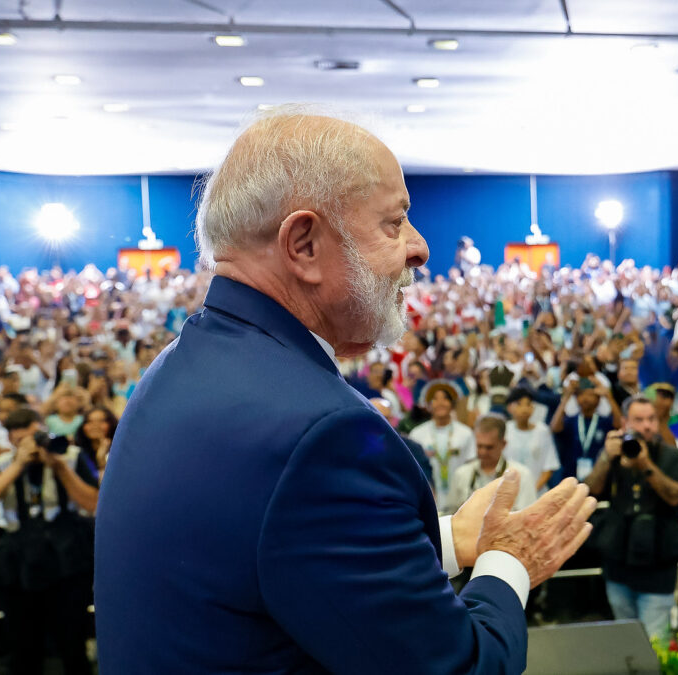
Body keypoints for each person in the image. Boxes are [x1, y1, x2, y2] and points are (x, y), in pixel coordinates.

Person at [95, 109, 596, 674]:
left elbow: (273, 553)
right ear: (304, 245)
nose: (420, 247)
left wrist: (452, 539)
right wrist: (509, 561)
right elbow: (463, 667)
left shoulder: (179, 365)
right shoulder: (322, 435)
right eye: (394, 223)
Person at [0, 408, 99, 675]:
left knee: (72, 643)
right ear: (10, 440)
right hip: (19, 561)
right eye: (21, 440)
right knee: (24, 646)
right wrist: (17, 465)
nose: (31, 446)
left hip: (67, 558)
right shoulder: (5, 463)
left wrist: (59, 466)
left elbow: (93, 503)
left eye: (35, 437)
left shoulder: (70, 456)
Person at [584, 395, 678, 642]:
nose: (647, 426)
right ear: (624, 423)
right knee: (625, 640)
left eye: (651, 419)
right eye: (639, 420)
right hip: (618, 565)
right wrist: (605, 458)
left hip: (658, 565)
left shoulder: (673, 456)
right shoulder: (612, 456)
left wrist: (645, 464)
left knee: (654, 644)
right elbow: (589, 491)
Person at [446, 415, 536, 513]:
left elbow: (527, 515)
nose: (483, 452)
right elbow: (450, 513)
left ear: (503, 444)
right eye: (479, 446)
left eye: (489, 447)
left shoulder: (522, 475)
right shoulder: (462, 474)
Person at [409, 381, 476, 507]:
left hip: (461, 497)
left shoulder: (465, 433)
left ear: (452, 404)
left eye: (445, 398)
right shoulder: (417, 434)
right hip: (429, 496)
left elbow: (471, 465)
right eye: (435, 399)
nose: (440, 403)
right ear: (428, 404)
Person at [550, 377, 620, 481]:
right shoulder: (571, 420)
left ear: (598, 399)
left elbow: (619, 425)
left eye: (591, 394)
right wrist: (567, 396)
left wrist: (608, 396)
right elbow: (554, 428)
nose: (585, 398)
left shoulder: (605, 421)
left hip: (599, 477)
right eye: (581, 394)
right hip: (571, 476)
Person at [502, 388, 560, 493]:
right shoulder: (504, 430)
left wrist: (532, 491)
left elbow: (548, 467)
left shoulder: (542, 431)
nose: (524, 409)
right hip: (509, 492)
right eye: (519, 404)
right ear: (509, 407)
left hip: (537, 492)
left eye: (528, 404)